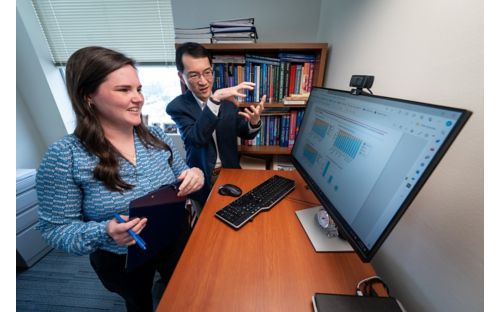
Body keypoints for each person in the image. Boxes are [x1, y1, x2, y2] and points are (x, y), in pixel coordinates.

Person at [36, 46, 204, 312]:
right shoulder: (64, 156)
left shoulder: (155, 136)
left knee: (182, 292)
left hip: (173, 239)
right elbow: (55, 230)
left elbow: (183, 172)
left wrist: (196, 174)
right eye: (124, 90)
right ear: (87, 95)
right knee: (139, 303)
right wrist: (104, 232)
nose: (138, 98)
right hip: (121, 259)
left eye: (138, 89)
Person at [166, 42, 265, 206]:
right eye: (194, 75)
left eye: (207, 72)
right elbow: (196, 138)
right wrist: (214, 100)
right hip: (203, 178)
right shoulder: (177, 107)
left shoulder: (227, 98)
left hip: (231, 172)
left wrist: (254, 122)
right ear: (180, 76)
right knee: (207, 227)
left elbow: (244, 131)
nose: (203, 81)